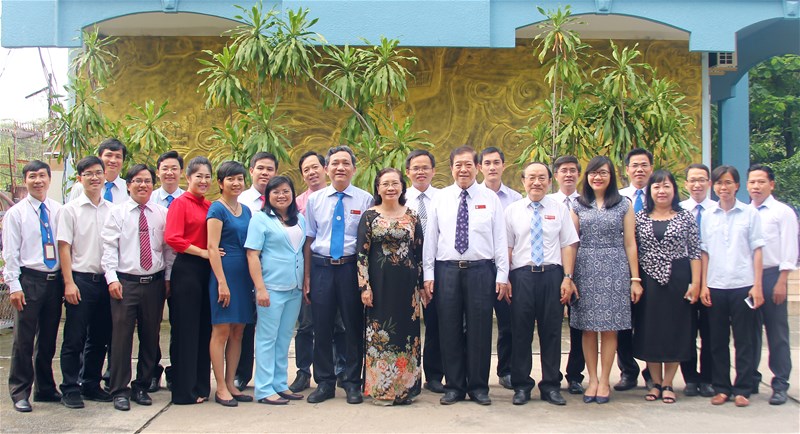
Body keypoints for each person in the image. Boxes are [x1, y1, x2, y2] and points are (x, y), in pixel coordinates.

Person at [422, 145, 509, 406]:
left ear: (477, 167)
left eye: (468, 164)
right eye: (458, 165)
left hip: (481, 270)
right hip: (446, 270)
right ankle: (455, 386)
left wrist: (502, 275)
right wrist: (428, 274)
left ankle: (479, 387)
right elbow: (431, 239)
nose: (463, 169)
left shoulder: (490, 198)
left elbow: (500, 239)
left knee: (480, 329)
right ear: (451, 168)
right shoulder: (440, 198)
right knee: (448, 328)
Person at [102, 164, 175, 411]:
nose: (143, 185)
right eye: (137, 181)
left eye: (147, 181)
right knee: (121, 339)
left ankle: (142, 385)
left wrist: (167, 278)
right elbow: (109, 248)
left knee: (150, 336)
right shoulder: (117, 213)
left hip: (154, 283)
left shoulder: (162, 213)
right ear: (128, 185)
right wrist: (111, 278)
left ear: (153, 185)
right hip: (125, 283)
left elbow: (168, 250)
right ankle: (119, 390)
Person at [304, 146, 374, 404]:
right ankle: (324, 382)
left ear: (354, 169)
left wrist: (366, 280)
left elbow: (368, 243)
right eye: (335, 163)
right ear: (326, 169)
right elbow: (309, 239)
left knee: (353, 326)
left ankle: (352, 382)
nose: (340, 167)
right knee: (321, 327)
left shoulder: (365, 199)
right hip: (322, 268)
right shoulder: (315, 200)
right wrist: (307, 277)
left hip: (350, 268)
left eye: (346, 163)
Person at [570, 156, 642, 404]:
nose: (597, 177)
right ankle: (592, 379)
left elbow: (630, 243)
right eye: (593, 173)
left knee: (611, 328)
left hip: (615, 268)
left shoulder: (623, 205)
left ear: (611, 176)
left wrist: (635, 278)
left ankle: (604, 381)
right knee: (588, 328)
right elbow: (572, 243)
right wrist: (569, 277)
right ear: (587, 176)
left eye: (603, 172)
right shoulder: (578, 205)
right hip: (585, 268)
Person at [506, 162, 579, 406]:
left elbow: (567, 244)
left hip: (552, 275)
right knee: (521, 332)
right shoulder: (512, 211)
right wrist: (506, 278)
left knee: (552, 332)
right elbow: (507, 247)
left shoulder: (560, 210)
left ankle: (551, 385)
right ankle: (521, 385)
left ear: (549, 181)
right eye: (531, 178)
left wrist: (567, 277)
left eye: (541, 178)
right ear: (523, 181)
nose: (536, 182)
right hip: (522, 276)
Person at [632, 170, 701, 404]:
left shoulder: (685, 217)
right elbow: (632, 248)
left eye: (666, 186)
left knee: (675, 329)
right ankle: (655, 382)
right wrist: (634, 280)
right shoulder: (640, 217)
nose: (661, 191)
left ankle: (669, 382)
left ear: (674, 190)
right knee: (650, 329)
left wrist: (695, 283)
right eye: (656, 187)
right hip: (647, 280)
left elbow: (695, 252)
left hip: (678, 279)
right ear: (650, 191)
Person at [357, 168, 424, 405]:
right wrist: (364, 286)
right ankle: (382, 390)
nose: (390, 188)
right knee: (380, 336)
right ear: (378, 188)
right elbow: (362, 254)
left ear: (402, 187)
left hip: (407, 287)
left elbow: (418, 252)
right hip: (379, 286)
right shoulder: (369, 216)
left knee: (407, 335)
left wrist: (421, 286)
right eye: (385, 184)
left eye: (395, 183)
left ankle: (405, 389)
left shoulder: (412, 215)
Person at [700, 165, 765, 408]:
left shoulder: (749, 213)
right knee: (716, 340)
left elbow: (757, 251)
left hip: (743, 284)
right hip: (715, 285)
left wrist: (757, 285)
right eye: (719, 183)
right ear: (713, 186)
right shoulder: (708, 215)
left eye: (728, 182)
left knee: (744, 340)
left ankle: (743, 389)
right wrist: (704, 284)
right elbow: (704, 252)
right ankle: (721, 388)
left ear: (737, 185)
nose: (723, 187)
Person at [3, 161, 63, 413]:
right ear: (25, 181)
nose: (37, 181)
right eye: (32, 176)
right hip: (29, 280)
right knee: (24, 340)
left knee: (48, 338)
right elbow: (10, 252)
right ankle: (20, 391)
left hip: (54, 281)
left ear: (49, 179)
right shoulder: (16, 214)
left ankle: (45, 388)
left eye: (41, 176)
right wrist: (14, 285)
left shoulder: (58, 210)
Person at [57, 156, 114, 409]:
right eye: (88, 173)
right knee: (74, 338)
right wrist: (68, 283)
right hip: (80, 280)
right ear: (80, 178)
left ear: (104, 176)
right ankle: (70, 387)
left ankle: (91, 383)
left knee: (99, 337)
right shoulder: (70, 210)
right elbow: (64, 248)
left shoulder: (111, 209)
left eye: (98, 172)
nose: (94, 177)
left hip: (105, 281)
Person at [245, 176, 306, 405]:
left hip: (295, 287)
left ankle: (280, 384)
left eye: (286, 191)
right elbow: (252, 255)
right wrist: (260, 288)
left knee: (284, 337)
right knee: (266, 339)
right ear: (268, 196)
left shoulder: (299, 219)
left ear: (292, 194)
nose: (281, 195)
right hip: (271, 287)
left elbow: (302, 250)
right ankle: (263, 388)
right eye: (276, 192)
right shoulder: (260, 219)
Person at [289, 151, 346, 394]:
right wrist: (306, 276)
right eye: (306, 170)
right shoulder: (297, 203)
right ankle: (303, 371)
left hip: (341, 268)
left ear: (325, 168)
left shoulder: (347, 196)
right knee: (307, 324)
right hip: (311, 267)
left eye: (315, 167)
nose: (311, 173)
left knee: (339, 323)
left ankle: (341, 370)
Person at [747, 164, 797, 405]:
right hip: (748, 278)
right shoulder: (745, 212)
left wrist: (782, 281)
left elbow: (789, 248)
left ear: (772, 185)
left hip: (772, 276)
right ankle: (751, 379)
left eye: (761, 182)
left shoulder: (782, 212)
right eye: (752, 182)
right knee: (749, 332)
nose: (756, 187)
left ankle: (780, 383)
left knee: (777, 333)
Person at [165, 156, 213, 405]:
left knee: (205, 329)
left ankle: (201, 386)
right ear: (188, 177)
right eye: (198, 176)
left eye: (207, 177)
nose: (203, 181)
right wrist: (202, 252)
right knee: (186, 330)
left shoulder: (210, 206)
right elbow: (173, 238)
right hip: (187, 270)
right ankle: (184, 391)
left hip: (208, 271)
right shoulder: (180, 203)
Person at [207, 161, 255, 407]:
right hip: (224, 275)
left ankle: (231, 382)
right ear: (220, 183)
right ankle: (220, 387)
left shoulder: (246, 211)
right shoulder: (217, 209)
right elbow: (212, 247)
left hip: (244, 276)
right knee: (222, 331)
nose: (236, 183)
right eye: (230, 179)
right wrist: (221, 283)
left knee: (238, 331)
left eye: (239, 178)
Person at [234, 152, 278, 391]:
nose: (265, 173)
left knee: (271, 327)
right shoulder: (239, 200)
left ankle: (270, 376)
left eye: (270, 169)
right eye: (260, 168)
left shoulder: (281, 201)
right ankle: (241, 374)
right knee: (245, 324)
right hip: (243, 271)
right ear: (251, 171)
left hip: (272, 273)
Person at [478, 146, 521, 390]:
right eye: (487, 163)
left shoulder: (516, 199)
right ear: (480, 167)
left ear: (504, 166)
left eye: (496, 162)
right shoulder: (472, 196)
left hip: (508, 271)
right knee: (474, 323)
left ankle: (506, 370)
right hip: (480, 269)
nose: (492, 167)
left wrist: (508, 273)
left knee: (508, 323)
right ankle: (474, 373)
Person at [404, 149, 444, 394]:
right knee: (405, 323)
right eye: (415, 168)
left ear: (433, 171)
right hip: (404, 268)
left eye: (425, 167)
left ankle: (435, 374)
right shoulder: (398, 198)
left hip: (436, 267)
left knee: (435, 322)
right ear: (407, 172)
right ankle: (407, 374)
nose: (420, 172)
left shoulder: (444, 198)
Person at [547, 154, 586, 395]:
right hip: (551, 272)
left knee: (577, 325)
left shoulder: (586, 202)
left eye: (573, 170)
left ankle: (575, 375)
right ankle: (550, 376)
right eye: (564, 170)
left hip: (581, 271)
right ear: (556, 176)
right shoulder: (548, 202)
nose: (568, 174)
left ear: (579, 174)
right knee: (551, 327)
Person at [616, 147, 654, 392]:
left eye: (644, 165)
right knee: (623, 323)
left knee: (651, 321)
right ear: (627, 169)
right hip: (622, 267)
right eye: (635, 165)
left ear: (651, 168)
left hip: (653, 268)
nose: (639, 170)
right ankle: (628, 371)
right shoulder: (618, 199)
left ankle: (652, 371)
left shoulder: (660, 194)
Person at [679, 163, 716, 398]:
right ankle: (690, 378)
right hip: (686, 277)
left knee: (711, 331)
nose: (697, 184)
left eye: (701, 179)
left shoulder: (717, 210)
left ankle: (709, 379)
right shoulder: (680, 210)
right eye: (692, 180)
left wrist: (705, 282)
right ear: (686, 184)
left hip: (713, 277)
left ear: (709, 183)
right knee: (687, 330)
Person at [149, 150, 184, 393]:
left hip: (181, 272)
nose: (170, 173)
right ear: (158, 172)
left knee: (179, 323)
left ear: (181, 172)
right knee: (151, 324)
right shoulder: (148, 199)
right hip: (153, 270)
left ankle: (175, 371)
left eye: (174, 168)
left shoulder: (187, 199)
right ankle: (152, 371)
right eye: (165, 168)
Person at [68, 138, 128, 204]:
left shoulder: (129, 188)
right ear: (99, 158)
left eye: (118, 157)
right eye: (109, 155)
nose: (113, 160)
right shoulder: (81, 187)